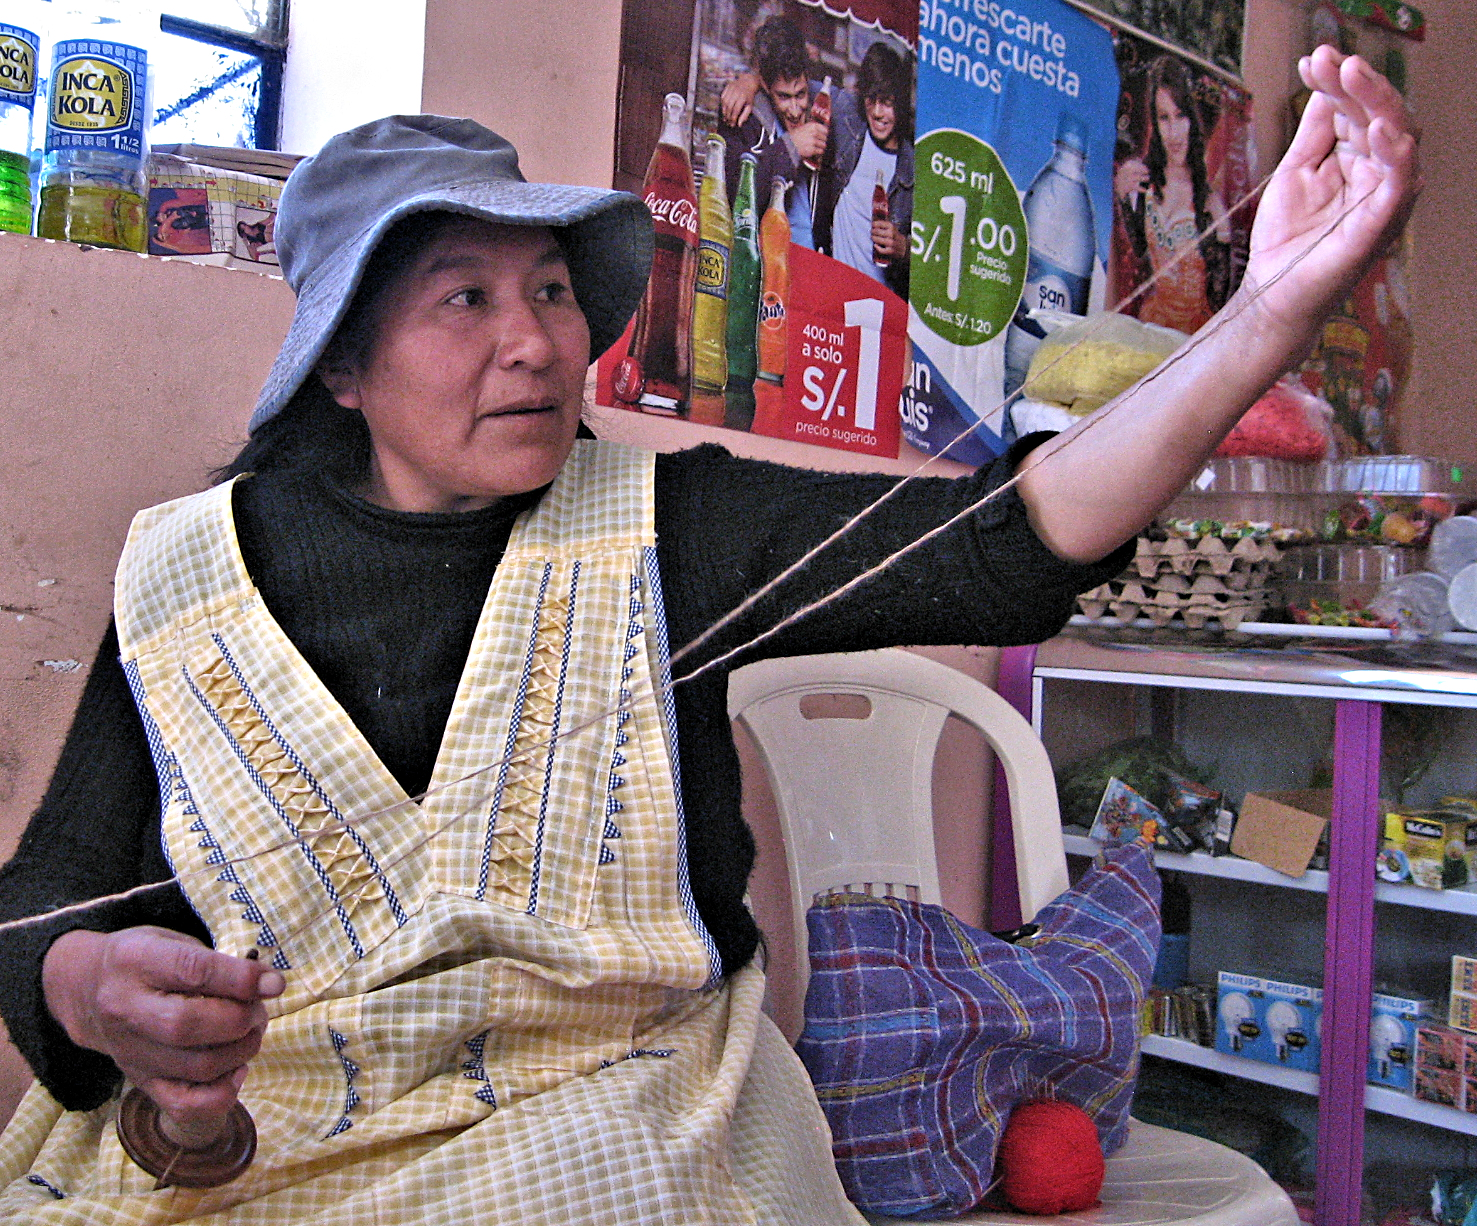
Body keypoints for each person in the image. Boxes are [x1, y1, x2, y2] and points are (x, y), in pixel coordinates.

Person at [0, 45, 1418, 1223]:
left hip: (619, 1116)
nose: (540, 342)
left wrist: (1269, 308)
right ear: (345, 368)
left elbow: (1008, 543)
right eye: (466, 298)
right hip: (284, 1133)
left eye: (552, 289)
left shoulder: (660, 530)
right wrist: (86, 982)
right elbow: (52, 893)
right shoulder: (194, 578)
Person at [1114, 56, 1233, 333]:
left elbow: (1220, 298)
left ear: (1192, 121)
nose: (1173, 131)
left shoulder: (1209, 202)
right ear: (1154, 122)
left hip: (1192, 334)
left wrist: (1224, 236)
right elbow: (1141, 248)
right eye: (1164, 118)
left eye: (1181, 117)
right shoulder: (1146, 181)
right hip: (1152, 322)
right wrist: (1122, 197)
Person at [812, 40, 914, 297]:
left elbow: (941, 258)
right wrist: (751, 82)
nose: (878, 113)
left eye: (888, 103)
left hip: (883, 307)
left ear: (901, 104)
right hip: (834, 292)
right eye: (872, 100)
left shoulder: (915, 170)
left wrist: (905, 248)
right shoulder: (849, 118)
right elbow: (793, 85)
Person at [718, 14, 827, 247]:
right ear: (766, 86)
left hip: (814, 261)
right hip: (764, 260)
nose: (796, 110)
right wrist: (790, 148)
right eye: (784, 97)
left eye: (801, 94)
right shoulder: (743, 115)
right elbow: (735, 201)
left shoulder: (824, 104)